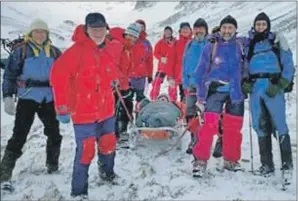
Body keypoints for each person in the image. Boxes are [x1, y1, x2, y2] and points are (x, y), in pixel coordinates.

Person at [50, 13, 122, 199]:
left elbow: (112, 72)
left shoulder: (107, 50)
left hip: (106, 111)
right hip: (84, 113)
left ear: (106, 29)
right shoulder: (75, 52)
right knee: (86, 151)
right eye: (94, 29)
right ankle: (79, 191)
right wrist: (62, 108)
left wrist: (114, 81)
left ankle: (107, 173)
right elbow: (58, 78)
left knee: (108, 144)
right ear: (86, 29)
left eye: (101, 29)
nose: (98, 33)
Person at [0, 18, 62, 188]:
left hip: (48, 99)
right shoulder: (21, 51)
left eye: (43, 31)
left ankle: (52, 166)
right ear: (31, 33)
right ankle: (4, 175)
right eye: (36, 31)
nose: (40, 34)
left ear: (47, 34)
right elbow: (10, 76)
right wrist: (7, 97)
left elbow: (65, 77)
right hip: (27, 98)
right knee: (19, 136)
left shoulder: (55, 52)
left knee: (54, 133)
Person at [192, 15, 246, 177]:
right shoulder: (211, 46)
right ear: (220, 28)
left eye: (230, 27)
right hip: (215, 90)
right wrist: (201, 96)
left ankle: (231, 160)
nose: (227, 30)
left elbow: (247, 64)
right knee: (209, 126)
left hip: (236, 92)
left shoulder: (240, 45)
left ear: (235, 30)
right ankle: (200, 161)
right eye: (224, 27)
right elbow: (200, 71)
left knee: (234, 128)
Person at [242, 12, 295, 177]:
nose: (260, 27)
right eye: (258, 24)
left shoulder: (277, 41)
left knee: (280, 123)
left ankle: (287, 165)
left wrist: (282, 83)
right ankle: (267, 165)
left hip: (273, 86)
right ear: (254, 26)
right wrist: (245, 80)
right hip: (256, 87)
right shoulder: (250, 44)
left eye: (263, 24)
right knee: (258, 124)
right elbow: (245, 65)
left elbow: (288, 63)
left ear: (268, 25)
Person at [109, 24, 142, 141]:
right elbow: (111, 65)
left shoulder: (127, 48)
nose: (133, 39)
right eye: (131, 36)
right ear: (126, 34)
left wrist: (126, 83)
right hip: (114, 86)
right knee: (113, 111)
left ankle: (121, 132)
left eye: (135, 37)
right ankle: (114, 136)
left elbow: (124, 68)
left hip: (123, 84)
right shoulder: (117, 45)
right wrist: (117, 79)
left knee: (125, 107)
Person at [182, 18, 209, 154]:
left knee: (210, 115)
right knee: (190, 113)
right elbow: (185, 64)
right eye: (196, 28)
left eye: (201, 28)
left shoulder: (211, 43)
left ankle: (215, 141)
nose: (199, 31)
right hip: (191, 85)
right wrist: (184, 82)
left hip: (207, 86)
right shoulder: (189, 44)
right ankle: (194, 138)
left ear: (206, 29)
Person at [150, 26, 176, 100]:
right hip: (162, 67)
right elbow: (155, 53)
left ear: (171, 33)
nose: (167, 33)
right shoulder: (160, 42)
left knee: (172, 85)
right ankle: (153, 99)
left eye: (169, 31)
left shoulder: (175, 42)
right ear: (164, 33)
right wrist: (161, 58)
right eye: (166, 31)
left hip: (171, 68)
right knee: (156, 83)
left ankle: (172, 100)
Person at [171, 22, 192, 102]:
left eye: (187, 28)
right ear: (180, 31)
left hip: (192, 75)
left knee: (192, 95)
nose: (185, 30)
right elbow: (172, 60)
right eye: (183, 29)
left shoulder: (194, 42)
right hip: (180, 75)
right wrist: (171, 75)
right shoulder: (176, 43)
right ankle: (184, 111)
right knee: (183, 95)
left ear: (190, 30)